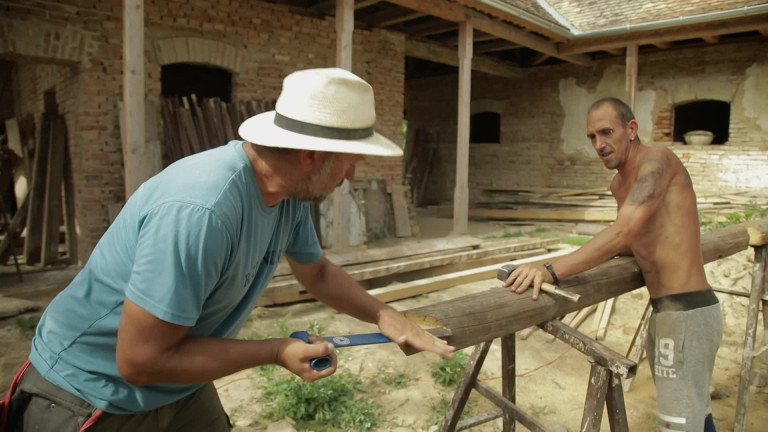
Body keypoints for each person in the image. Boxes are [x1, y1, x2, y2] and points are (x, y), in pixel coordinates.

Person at [1, 67, 455, 432]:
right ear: (312, 155)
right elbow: (140, 360)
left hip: (175, 378)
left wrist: (382, 314)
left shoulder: (286, 195)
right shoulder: (202, 209)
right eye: (351, 161)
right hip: (88, 392)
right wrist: (275, 351)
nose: (352, 175)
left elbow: (314, 272)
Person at [503, 97, 721, 432]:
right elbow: (635, 241)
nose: (599, 144)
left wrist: (550, 269)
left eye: (606, 132)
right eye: (592, 137)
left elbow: (623, 232)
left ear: (631, 129)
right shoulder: (619, 184)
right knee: (695, 417)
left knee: (680, 425)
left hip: (686, 314)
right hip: (667, 312)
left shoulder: (657, 162)